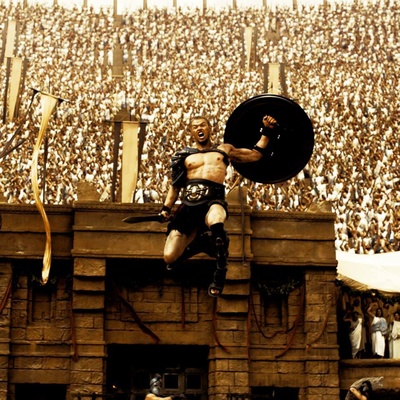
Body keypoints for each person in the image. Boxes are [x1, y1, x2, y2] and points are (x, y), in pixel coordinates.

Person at [159, 114, 278, 297]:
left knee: (216, 218)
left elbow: (255, 155)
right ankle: (199, 244)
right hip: (189, 205)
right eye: (195, 126)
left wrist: (267, 131)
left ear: (210, 128)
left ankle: (221, 269)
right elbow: (175, 187)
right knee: (169, 257)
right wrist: (165, 209)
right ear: (191, 132)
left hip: (213, 201)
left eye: (203, 125)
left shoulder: (224, 150)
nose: (199, 128)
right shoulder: (183, 156)